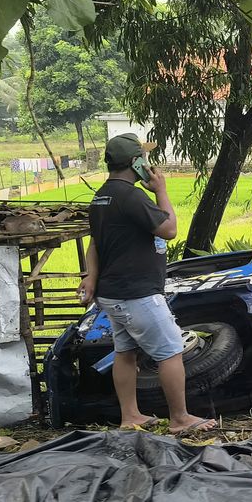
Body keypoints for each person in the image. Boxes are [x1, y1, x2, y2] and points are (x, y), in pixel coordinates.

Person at [76, 134, 215, 435]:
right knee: (170, 350)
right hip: (136, 292)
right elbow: (170, 229)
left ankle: (131, 416)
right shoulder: (131, 196)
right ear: (135, 162)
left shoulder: (101, 196)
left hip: (113, 294)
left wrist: (91, 276)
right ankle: (180, 419)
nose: (148, 164)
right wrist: (161, 191)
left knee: (125, 352)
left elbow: (95, 244)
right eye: (144, 158)